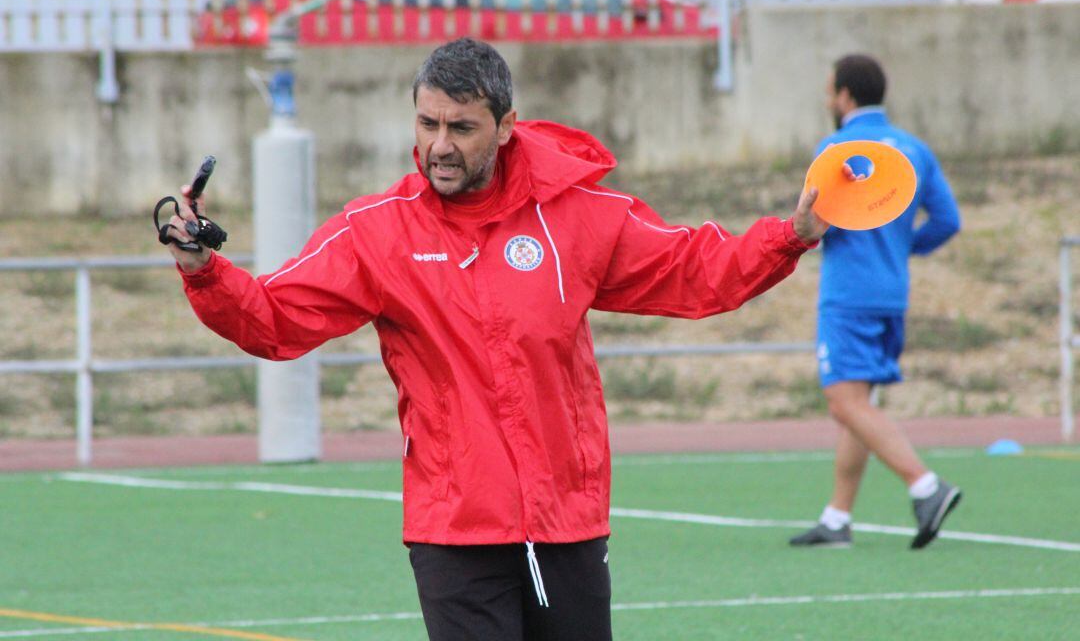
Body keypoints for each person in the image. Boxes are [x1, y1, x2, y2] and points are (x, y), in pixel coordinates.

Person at [163, 38, 830, 641]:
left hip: (567, 521)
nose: (440, 145)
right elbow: (274, 320)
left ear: (506, 127)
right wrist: (202, 268)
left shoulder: (577, 215)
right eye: (427, 124)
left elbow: (696, 270)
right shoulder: (377, 231)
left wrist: (790, 236)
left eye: (461, 127)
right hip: (455, 531)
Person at [789, 54, 963, 551]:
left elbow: (814, 223)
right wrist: (903, 249)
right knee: (858, 404)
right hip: (892, 294)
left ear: (845, 96)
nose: (828, 100)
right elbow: (948, 221)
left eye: (830, 91)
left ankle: (925, 487)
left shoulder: (835, 150)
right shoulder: (914, 149)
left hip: (848, 295)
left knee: (843, 402)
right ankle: (837, 518)